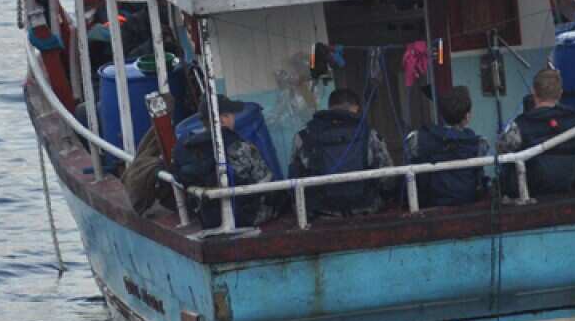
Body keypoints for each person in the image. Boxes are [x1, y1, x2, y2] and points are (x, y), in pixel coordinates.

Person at [172, 95, 277, 229]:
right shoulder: (240, 147)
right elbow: (267, 182)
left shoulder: (190, 147)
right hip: (244, 217)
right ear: (222, 119)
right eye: (230, 114)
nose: (233, 118)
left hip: (209, 218)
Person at [289, 88, 395, 218]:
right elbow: (388, 177)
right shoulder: (369, 134)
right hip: (365, 209)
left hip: (321, 213)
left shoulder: (304, 136)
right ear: (355, 107)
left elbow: (294, 176)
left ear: (329, 107)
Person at [497, 68, 575, 196]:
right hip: (571, 188)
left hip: (532, 192)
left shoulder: (520, 124)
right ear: (560, 93)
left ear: (533, 91)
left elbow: (501, 149)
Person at [405, 86, 490, 208]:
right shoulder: (479, 144)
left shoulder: (417, 139)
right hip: (468, 205)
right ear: (467, 117)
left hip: (430, 206)